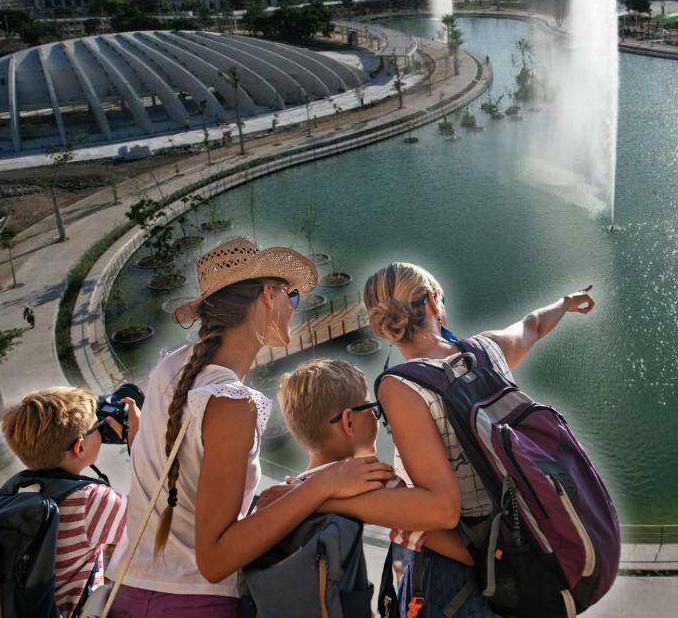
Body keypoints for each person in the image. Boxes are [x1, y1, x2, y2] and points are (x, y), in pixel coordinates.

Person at [107, 237, 394, 617]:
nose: (293, 309)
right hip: (193, 602)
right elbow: (214, 559)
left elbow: (191, 495)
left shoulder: (169, 369)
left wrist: (274, 499)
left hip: (127, 590)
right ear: (266, 296)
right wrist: (326, 482)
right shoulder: (232, 404)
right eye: (290, 297)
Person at [363, 262, 594, 618]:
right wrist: (565, 302)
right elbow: (533, 325)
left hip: (458, 571)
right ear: (433, 304)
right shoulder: (487, 351)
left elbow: (442, 510)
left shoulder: (400, 387)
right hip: (525, 540)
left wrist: (342, 497)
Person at [273, 358, 471, 562]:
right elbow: (461, 552)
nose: (378, 416)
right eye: (372, 409)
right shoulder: (374, 481)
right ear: (349, 421)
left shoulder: (285, 493)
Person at [0, 386, 138, 614]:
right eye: (98, 426)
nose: (103, 430)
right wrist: (139, 443)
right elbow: (154, 518)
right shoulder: (89, 501)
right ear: (79, 447)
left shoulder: (16, 490)